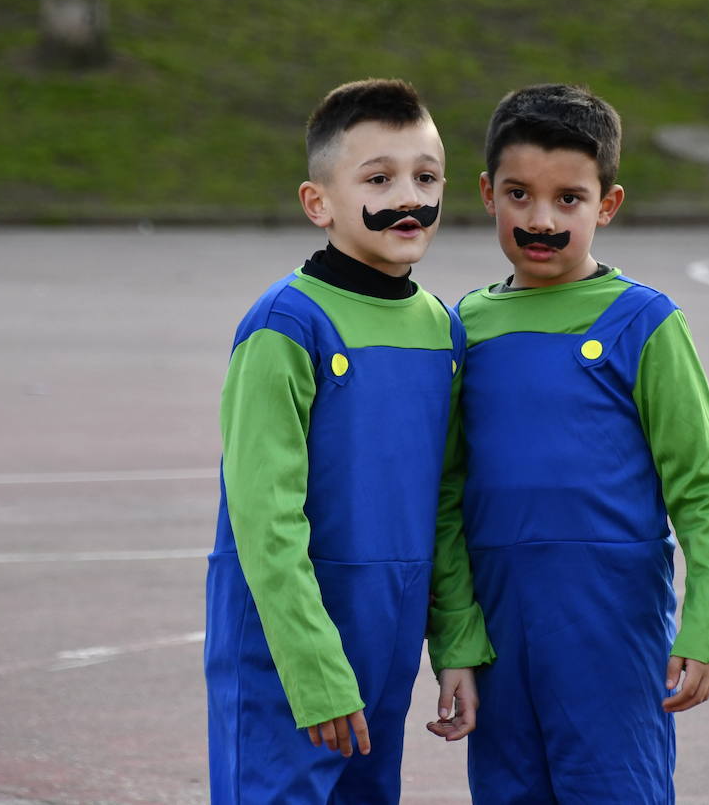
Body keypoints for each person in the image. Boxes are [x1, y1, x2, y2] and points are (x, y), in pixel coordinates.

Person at [439, 83, 709, 803]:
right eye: (519, 195)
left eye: (568, 200)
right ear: (487, 193)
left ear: (607, 204)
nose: (540, 219)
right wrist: (454, 641)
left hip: (610, 630)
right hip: (499, 634)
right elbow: (445, 496)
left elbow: (707, 484)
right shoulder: (463, 329)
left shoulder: (645, 322)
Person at [204, 78, 493, 804]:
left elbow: (448, 499)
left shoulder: (439, 327)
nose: (409, 197)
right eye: (379, 178)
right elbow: (264, 522)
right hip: (290, 655)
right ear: (319, 203)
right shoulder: (286, 326)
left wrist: (454, 645)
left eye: (427, 177)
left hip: (385, 640)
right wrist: (314, 670)